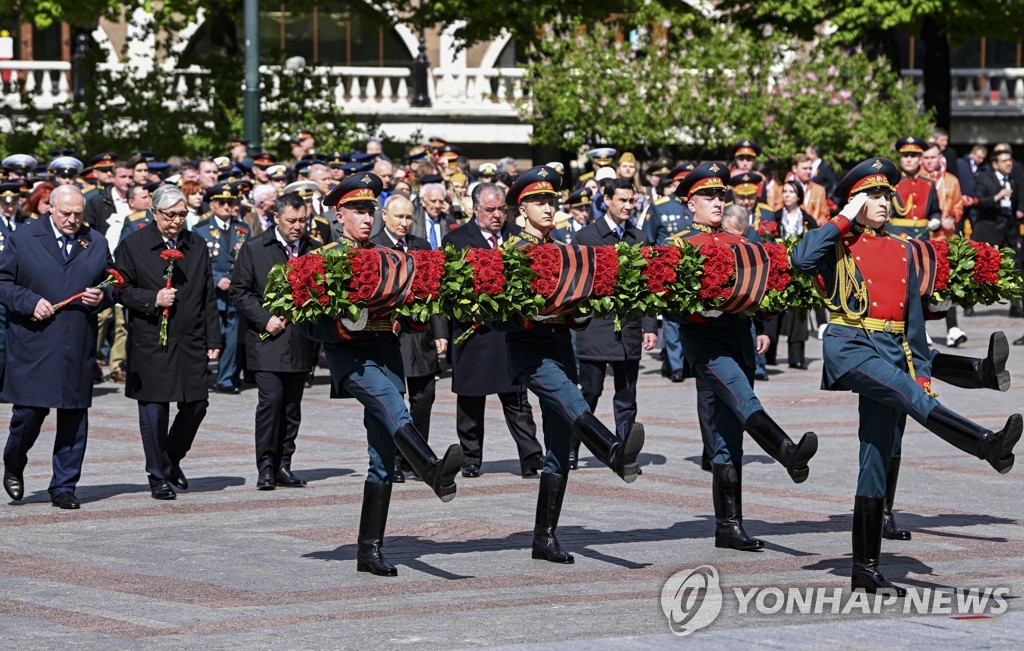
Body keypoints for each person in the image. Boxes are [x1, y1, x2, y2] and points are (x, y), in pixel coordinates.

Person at [790, 158, 1021, 595]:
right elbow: (801, 260)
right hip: (852, 347)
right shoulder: (838, 241)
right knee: (908, 398)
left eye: (885, 195)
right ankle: (985, 444)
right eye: (872, 195)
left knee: (876, 457)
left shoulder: (903, 248)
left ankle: (866, 568)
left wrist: (924, 373)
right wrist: (842, 217)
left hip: (893, 351)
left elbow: (914, 322)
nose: (883, 202)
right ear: (856, 201)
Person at [301, 172, 461, 576]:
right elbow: (306, 322)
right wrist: (339, 325)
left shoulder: (390, 257)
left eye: (370, 209)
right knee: (394, 406)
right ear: (339, 215)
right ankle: (430, 468)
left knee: (382, 454)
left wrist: (419, 309)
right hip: (350, 356)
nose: (366, 217)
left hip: (387, 352)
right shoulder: (323, 259)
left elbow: (410, 304)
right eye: (357, 210)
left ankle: (369, 550)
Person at [666, 162, 818, 551]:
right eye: (708, 197)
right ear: (690, 203)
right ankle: (787, 451)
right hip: (706, 341)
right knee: (743, 398)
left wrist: (766, 326)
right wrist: (700, 309)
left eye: (721, 196)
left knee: (728, 438)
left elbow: (766, 294)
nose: (717, 202)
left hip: (740, 338)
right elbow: (667, 302)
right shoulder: (679, 246)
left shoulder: (740, 246)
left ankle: (728, 526)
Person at [502, 166, 645, 564]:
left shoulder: (563, 247)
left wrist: (579, 306)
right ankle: (613, 452)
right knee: (573, 400)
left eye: (551, 201)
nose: (548, 208)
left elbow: (578, 311)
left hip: (561, 348)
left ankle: (544, 538)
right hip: (531, 352)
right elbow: (498, 316)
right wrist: (532, 312)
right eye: (539, 202)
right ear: (521, 209)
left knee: (559, 446)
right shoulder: (512, 252)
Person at [0, 185, 114, 509]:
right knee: (28, 414)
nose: (73, 220)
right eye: (66, 213)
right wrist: (29, 301)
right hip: (34, 342)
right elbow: (3, 283)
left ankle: (64, 485)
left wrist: (103, 297)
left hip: (76, 341)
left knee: (74, 417)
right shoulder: (23, 239)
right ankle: (14, 461)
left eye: (78, 213)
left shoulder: (96, 241)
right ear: (50, 208)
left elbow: (114, 282)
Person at [115, 185, 222, 500]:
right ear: (154, 213)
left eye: (182, 214)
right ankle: (157, 475)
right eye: (170, 215)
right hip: (152, 339)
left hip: (190, 338)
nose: (177, 221)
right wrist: (152, 298)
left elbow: (207, 295)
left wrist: (213, 338)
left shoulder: (197, 244)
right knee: (154, 409)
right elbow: (120, 290)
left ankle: (171, 458)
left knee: (196, 404)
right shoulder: (134, 245)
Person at [442, 183, 545, 478]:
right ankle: (471, 458)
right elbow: (447, 290)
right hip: (474, 332)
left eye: (502, 209)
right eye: (490, 210)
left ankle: (531, 456)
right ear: (475, 210)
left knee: (517, 400)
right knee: (471, 401)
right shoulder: (457, 239)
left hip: (510, 334)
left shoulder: (519, 237)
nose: (498, 215)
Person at [229, 191, 320, 490]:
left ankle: (284, 465)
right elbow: (240, 291)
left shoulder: (314, 250)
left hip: (300, 340)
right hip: (267, 339)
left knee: (292, 407)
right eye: (291, 221)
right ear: (276, 218)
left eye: (302, 220)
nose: (297, 226)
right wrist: (264, 318)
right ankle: (265, 467)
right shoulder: (256, 247)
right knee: (271, 402)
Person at [571, 178, 658, 469]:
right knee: (589, 393)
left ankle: (624, 452)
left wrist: (650, 327)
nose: (627, 206)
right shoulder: (587, 237)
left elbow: (647, 286)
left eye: (631, 201)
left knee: (626, 396)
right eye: (621, 200)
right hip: (596, 327)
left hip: (629, 329)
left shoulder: (639, 237)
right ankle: (571, 446)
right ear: (606, 200)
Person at [370, 194, 449, 482]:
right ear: (385, 215)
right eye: (398, 217)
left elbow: (433, 291)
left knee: (424, 396)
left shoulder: (422, 245)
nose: (404, 223)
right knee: (393, 399)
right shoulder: (374, 246)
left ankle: (415, 458)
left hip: (420, 333)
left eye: (408, 218)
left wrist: (441, 332)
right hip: (388, 334)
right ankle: (391, 460)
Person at [193, 184, 251, 394]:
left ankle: (226, 379)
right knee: (209, 334)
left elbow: (246, 259)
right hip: (212, 292)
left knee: (233, 337)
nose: (228, 206)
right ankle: (201, 376)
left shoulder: (243, 228)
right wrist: (217, 278)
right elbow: (197, 261)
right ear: (213, 204)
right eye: (223, 202)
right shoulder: (201, 229)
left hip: (235, 292)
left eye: (231, 202)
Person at [921, 144, 968, 347]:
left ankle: (952, 329)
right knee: (923, 284)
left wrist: (952, 216)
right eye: (926, 158)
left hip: (946, 238)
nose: (928, 161)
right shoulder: (919, 181)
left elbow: (958, 203)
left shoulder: (951, 180)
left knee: (948, 283)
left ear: (940, 158)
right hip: (924, 238)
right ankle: (920, 328)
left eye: (932, 157)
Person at [768, 180, 818, 369]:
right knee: (773, 309)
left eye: (791, 192)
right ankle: (769, 354)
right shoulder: (774, 217)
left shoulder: (807, 219)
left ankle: (796, 357)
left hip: (799, 270)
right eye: (785, 191)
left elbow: (815, 241)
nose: (787, 195)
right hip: (778, 268)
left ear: (799, 196)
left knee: (798, 311)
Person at [891, 136, 942, 241]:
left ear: (920, 160)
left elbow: (935, 210)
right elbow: (885, 218)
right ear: (900, 159)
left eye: (913, 156)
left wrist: (935, 219)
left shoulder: (929, 184)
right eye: (905, 156)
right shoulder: (892, 184)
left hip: (923, 236)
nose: (909, 160)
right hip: (899, 236)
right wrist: (901, 235)